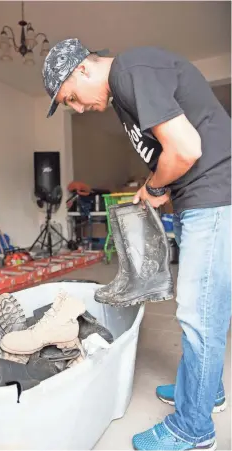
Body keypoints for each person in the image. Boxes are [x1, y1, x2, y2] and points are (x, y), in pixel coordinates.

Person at [42, 38, 231, 451]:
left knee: (200, 316)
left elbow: (185, 149)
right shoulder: (125, 92)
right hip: (201, 197)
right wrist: (157, 190)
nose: (77, 108)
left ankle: (193, 429)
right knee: (206, 309)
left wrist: (154, 185)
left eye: (72, 96)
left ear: (84, 69)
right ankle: (206, 393)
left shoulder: (130, 70)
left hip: (216, 195)